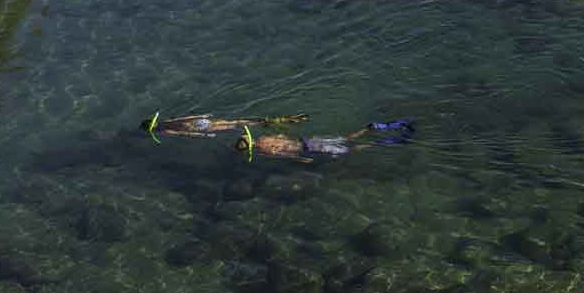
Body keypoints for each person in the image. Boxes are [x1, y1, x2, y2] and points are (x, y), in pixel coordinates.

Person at [234, 119, 415, 163]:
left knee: (349, 150)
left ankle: (381, 143)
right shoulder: (265, 137)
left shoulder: (265, 150)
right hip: (307, 140)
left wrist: (301, 159)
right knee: (345, 138)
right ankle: (369, 128)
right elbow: (283, 138)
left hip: (309, 148)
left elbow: (284, 153)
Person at [142, 112, 309, 141]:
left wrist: (204, 136)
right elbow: (186, 118)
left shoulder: (164, 130)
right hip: (201, 122)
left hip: (202, 128)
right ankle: (280, 120)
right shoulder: (167, 121)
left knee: (235, 126)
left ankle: (274, 121)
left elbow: (184, 135)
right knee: (236, 122)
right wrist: (202, 116)